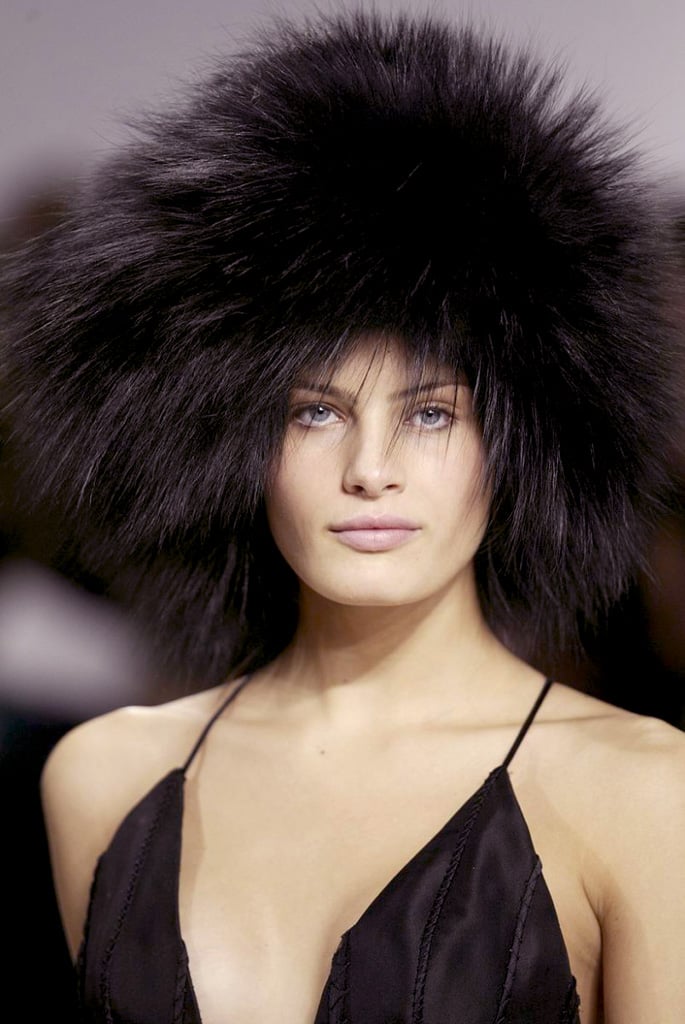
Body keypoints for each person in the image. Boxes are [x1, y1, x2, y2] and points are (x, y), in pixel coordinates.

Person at [3, 12, 684, 1024]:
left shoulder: (639, 793)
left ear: (524, 437)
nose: (370, 471)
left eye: (431, 413)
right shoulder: (101, 780)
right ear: (228, 434)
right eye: (314, 412)